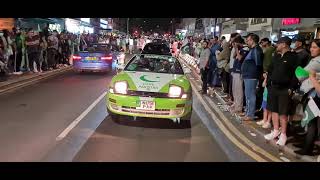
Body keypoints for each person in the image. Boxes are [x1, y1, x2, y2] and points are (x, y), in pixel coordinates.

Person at [264, 36, 299, 146]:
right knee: (273, 110)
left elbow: (295, 74)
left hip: (285, 89)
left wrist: (292, 88)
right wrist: (268, 82)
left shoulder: (294, 57)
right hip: (273, 87)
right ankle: (275, 130)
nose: (276, 45)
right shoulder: (276, 56)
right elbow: (270, 70)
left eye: (278, 43)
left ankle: (283, 134)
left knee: (283, 113)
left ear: (284, 44)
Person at [294, 39, 320, 155]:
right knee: (309, 121)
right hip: (311, 93)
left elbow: (300, 74)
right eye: (311, 47)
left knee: (311, 122)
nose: (311, 49)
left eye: (314, 47)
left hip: (314, 95)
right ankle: (306, 144)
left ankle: (307, 148)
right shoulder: (314, 60)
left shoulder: (317, 62)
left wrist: (298, 69)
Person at [241, 33, 264, 121]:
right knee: (247, 95)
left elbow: (258, 64)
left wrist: (257, 76)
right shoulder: (252, 49)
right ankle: (247, 112)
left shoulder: (256, 50)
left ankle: (250, 114)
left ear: (253, 40)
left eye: (248, 39)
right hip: (248, 76)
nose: (247, 41)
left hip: (252, 76)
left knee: (250, 95)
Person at [230, 36, 249, 114]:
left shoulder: (245, 49)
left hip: (239, 72)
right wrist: (236, 48)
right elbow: (234, 56)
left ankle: (239, 107)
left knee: (239, 91)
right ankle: (236, 104)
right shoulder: (240, 49)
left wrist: (237, 48)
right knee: (234, 89)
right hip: (235, 71)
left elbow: (240, 58)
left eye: (235, 42)